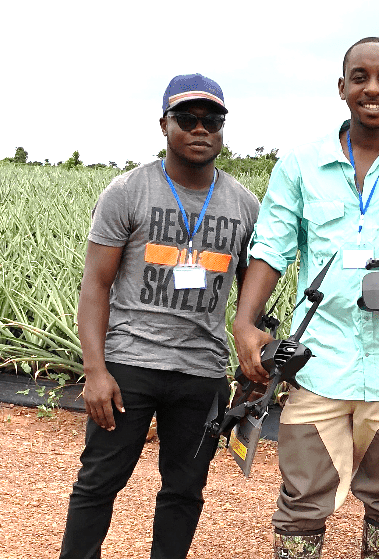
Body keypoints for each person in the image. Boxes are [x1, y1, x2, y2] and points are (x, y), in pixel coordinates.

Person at [232, 37, 379, 559]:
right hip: (318, 364)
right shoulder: (300, 165)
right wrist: (246, 324)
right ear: (342, 88)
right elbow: (270, 247)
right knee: (302, 501)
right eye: (359, 76)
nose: (373, 87)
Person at [59, 74, 260, 559]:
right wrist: (95, 371)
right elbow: (96, 286)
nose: (199, 128)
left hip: (202, 372)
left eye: (211, 119)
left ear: (222, 128)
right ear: (163, 124)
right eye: (186, 118)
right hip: (130, 366)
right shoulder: (127, 191)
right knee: (99, 483)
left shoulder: (245, 205)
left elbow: (254, 298)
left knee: (185, 491)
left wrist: (251, 367)